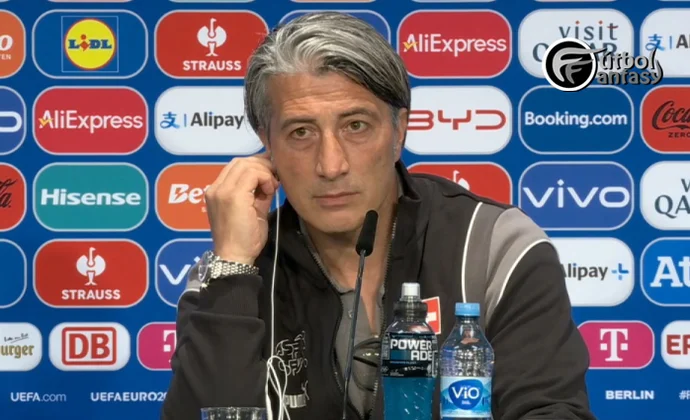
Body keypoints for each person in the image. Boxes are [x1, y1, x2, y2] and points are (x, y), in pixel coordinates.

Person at [161, 12, 596, 420]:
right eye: (301, 132)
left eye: (356, 126)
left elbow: (551, 410)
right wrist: (233, 268)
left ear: (399, 130)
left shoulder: (495, 246)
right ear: (266, 143)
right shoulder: (229, 272)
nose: (331, 165)